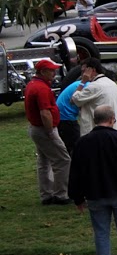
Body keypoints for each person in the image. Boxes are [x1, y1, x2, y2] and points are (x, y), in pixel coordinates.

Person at [69, 105, 117, 255]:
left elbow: (75, 172)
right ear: (112, 119)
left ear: (95, 121)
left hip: (94, 194)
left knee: (101, 233)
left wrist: (77, 197)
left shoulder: (82, 143)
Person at [25, 58, 72, 205]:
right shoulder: (42, 89)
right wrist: (51, 132)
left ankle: (46, 194)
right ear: (43, 72)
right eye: (51, 70)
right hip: (44, 130)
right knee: (63, 160)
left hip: (36, 129)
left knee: (44, 162)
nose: (54, 73)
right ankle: (61, 194)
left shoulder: (33, 85)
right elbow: (45, 113)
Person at [73, 58, 117, 135]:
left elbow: (74, 99)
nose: (82, 74)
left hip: (98, 134)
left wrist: (83, 82)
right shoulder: (112, 83)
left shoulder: (94, 86)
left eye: (84, 71)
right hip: (114, 130)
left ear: (92, 70)